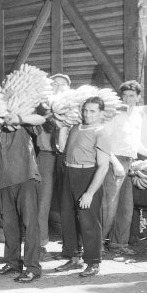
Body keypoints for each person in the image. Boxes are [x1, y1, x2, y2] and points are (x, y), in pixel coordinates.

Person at [54, 97, 111, 277]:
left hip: (88, 176)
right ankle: (73, 258)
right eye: (85, 110)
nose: (87, 114)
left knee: (89, 222)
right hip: (69, 174)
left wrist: (89, 193)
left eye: (93, 111)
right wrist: (62, 126)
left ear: (101, 113)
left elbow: (103, 166)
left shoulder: (101, 133)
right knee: (68, 218)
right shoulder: (75, 128)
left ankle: (93, 262)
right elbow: (63, 148)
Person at [100, 81, 147, 257]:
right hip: (113, 162)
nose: (127, 99)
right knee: (109, 206)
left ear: (139, 97)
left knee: (126, 207)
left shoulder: (137, 116)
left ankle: (118, 244)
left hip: (129, 162)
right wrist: (115, 163)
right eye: (124, 95)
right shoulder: (115, 115)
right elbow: (102, 141)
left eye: (131, 95)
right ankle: (97, 243)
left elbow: (136, 143)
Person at [0, 109, 46, 284]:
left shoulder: (23, 121)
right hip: (4, 180)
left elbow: (40, 119)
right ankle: (13, 263)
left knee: (30, 224)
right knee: (9, 225)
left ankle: (32, 267)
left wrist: (19, 118)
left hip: (25, 177)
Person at [36, 73, 70, 257]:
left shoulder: (74, 106)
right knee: (43, 200)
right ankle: (41, 243)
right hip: (46, 155)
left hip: (67, 157)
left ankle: (71, 245)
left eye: (62, 84)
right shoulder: (42, 105)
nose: (57, 87)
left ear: (68, 87)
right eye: (54, 84)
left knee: (69, 200)